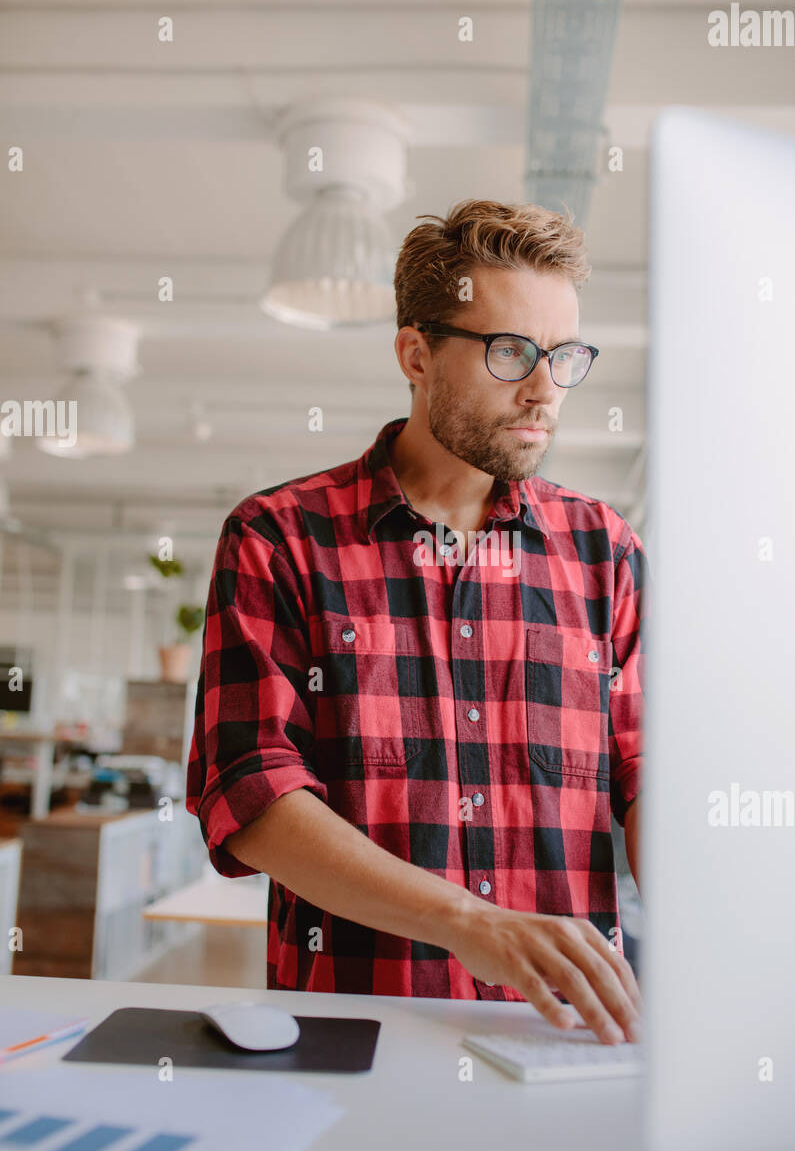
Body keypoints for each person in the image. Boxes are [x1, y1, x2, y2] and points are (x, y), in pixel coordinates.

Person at [186, 199, 646, 1044]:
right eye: (510, 353)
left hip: (564, 1041)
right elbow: (251, 793)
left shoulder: (603, 551)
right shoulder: (279, 538)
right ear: (415, 353)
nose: (545, 389)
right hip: (353, 1028)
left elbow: (646, 773)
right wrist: (473, 924)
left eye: (564, 356)